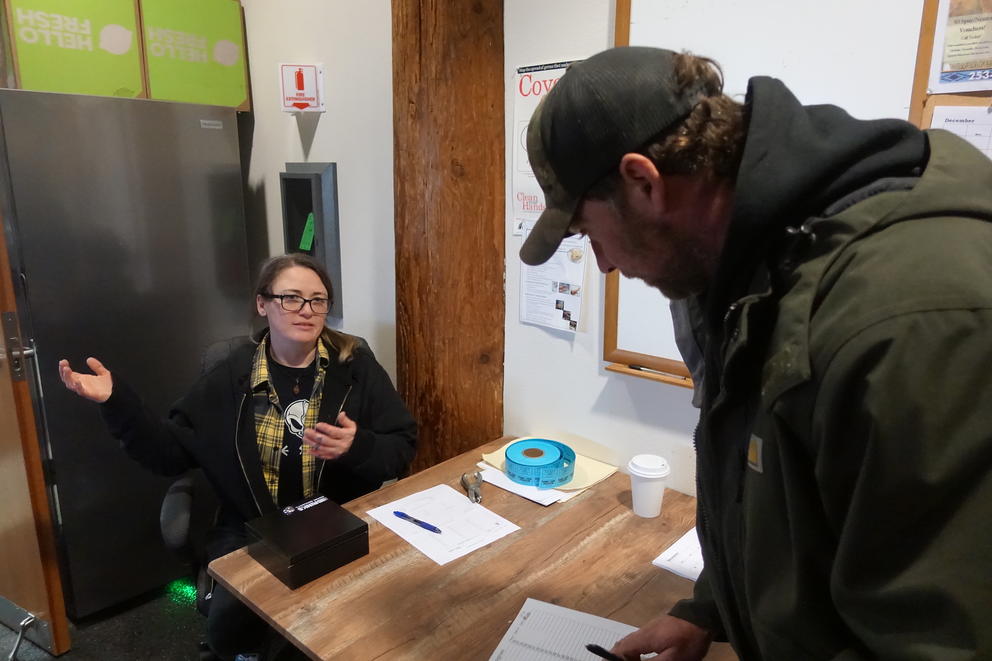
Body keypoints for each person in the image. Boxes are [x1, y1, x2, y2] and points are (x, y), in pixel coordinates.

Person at [520, 46, 992, 659]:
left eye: (588, 233)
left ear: (643, 181)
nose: (604, 264)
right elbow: (783, 493)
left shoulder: (907, 322)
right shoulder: (755, 265)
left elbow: (938, 639)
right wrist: (711, 608)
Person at [59, 253, 417, 661]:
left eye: (319, 300)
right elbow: (167, 455)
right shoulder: (228, 379)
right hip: (253, 531)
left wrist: (359, 446)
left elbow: (402, 446)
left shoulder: (355, 369)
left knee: (364, 633)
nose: (307, 310)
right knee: (241, 634)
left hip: (335, 527)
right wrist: (116, 402)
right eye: (292, 298)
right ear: (262, 304)